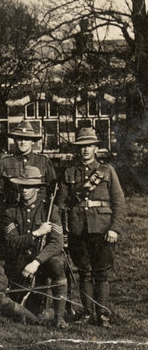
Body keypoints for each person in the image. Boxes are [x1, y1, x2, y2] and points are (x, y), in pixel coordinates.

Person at [58, 127, 126, 327]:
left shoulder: (107, 171)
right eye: (82, 146)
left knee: (101, 272)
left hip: (102, 228)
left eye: (89, 146)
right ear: (78, 149)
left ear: (96, 148)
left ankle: (102, 315)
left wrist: (115, 228)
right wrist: (64, 230)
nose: (85, 150)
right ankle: (87, 313)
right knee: (84, 271)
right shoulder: (69, 172)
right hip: (78, 228)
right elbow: (61, 205)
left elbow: (119, 203)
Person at [3, 166, 68, 327]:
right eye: (22, 186)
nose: (25, 190)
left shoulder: (50, 210)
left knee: (57, 263)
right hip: (21, 260)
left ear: (38, 188)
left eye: (29, 186)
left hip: (42, 260)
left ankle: (59, 317)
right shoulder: (11, 212)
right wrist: (36, 234)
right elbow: (12, 241)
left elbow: (56, 243)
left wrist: (37, 262)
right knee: (26, 311)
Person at [0, 120, 57, 210]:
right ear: (15, 141)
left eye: (27, 139)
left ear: (32, 142)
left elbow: (52, 189)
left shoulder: (43, 161)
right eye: (19, 138)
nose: (23, 142)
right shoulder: (4, 162)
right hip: (13, 211)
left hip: (39, 212)